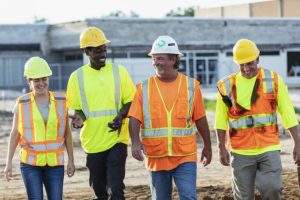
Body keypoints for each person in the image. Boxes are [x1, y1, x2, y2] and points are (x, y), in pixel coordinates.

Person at [128, 35, 212, 200]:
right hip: (156, 156)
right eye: (153, 58)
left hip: (184, 155)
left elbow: (200, 118)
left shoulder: (191, 86)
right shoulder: (143, 88)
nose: (156, 62)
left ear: (174, 59)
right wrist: (135, 141)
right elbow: (134, 118)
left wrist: (208, 146)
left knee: (189, 197)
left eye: (160, 58)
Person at [215, 38, 300, 200]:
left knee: (273, 189)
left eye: (250, 63)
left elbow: (287, 112)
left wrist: (297, 142)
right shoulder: (225, 86)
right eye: (242, 65)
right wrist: (221, 147)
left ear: (258, 59)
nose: (246, 69)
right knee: (243, 197)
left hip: (268, 147)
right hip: (240, 151)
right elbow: (220, 119)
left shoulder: (273, 80)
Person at [66, 26, 136, 200]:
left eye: (104, 49)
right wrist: (78, 120)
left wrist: (120, 116)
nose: (103, 54)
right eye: (98, 51)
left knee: (116, 188)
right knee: (99, 190)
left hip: (117, 139)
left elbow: (131, 101)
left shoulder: (119, 71)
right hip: (93, 141)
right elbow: (77, 109)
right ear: (86, 51)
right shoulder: (77, 77)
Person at [4, 56, 75, 200]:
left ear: (48, 79)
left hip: (55, 164)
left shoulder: (61, 101)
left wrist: (71, 160)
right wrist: (8, 162)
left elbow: (67, 134)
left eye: (44, 79)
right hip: (30, 164)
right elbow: (15, 133)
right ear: (29, 81)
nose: (41, 83)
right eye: (36, 80)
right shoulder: (22, 103)